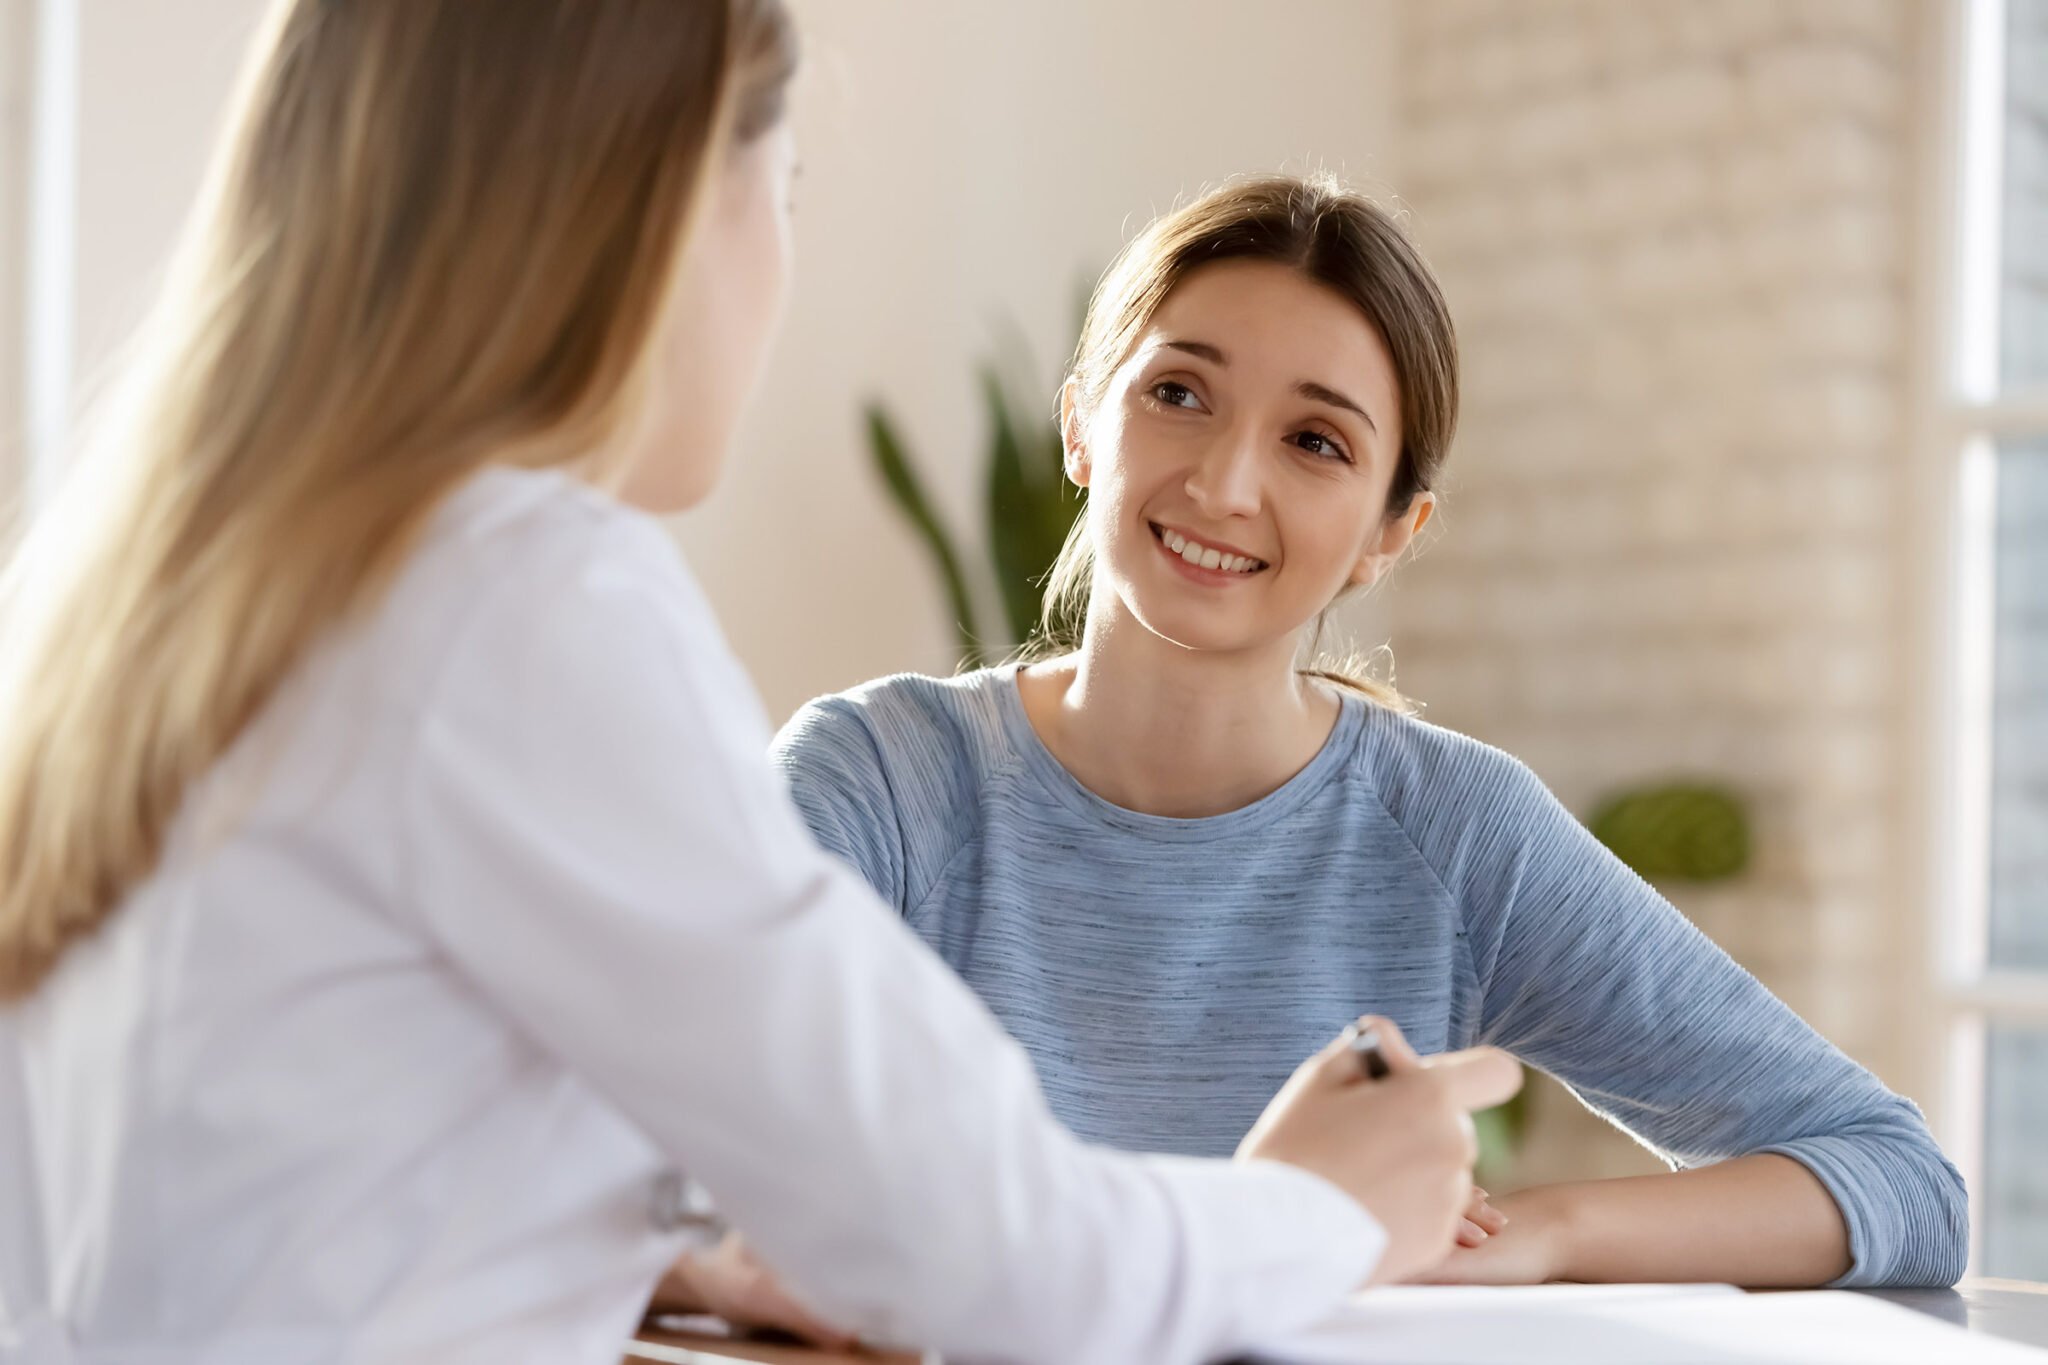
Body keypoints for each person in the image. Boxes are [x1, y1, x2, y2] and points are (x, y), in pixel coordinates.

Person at [0, 7, 1525, 1364]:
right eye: (780, 191)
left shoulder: (127, 587)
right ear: (662, 206)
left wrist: (650, 1241)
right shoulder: (526, 597)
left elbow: (264, 1142)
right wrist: (1313, 1208)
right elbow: (1004, 1256)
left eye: (1318, 442)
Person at [767, 175, 1970, 1300]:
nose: (1226, 484)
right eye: (1177, 394)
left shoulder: (1449, 832)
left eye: (1315, 442)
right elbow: (672, 1158)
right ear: (1082, 423)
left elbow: (1897, 1183)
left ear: (1391, 532)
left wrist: (1544, 1232)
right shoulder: (875, 787)